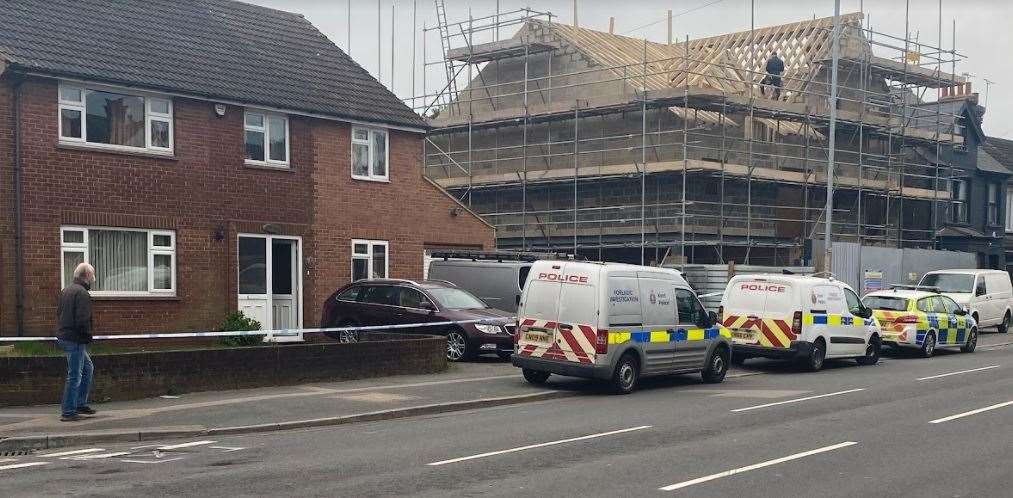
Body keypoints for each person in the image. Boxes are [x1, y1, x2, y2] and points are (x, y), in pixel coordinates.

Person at [57, 262, 96, 422]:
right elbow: (82, 319)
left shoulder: (66, 290)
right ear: (86, 276)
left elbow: (58, 313)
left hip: (65, 336)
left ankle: (79, 403)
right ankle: (68, 411)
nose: (94, 278)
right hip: (75, 338)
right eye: (92, 275)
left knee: (87, 368)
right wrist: (87, 336)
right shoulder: (82, 294)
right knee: (75, 375)